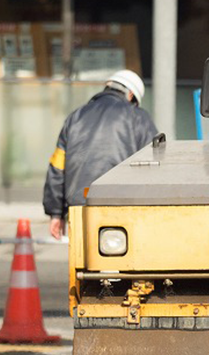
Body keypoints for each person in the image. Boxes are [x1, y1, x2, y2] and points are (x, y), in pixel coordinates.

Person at [43, 69, 157, 239]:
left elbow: (57, 168)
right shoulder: (138, 117)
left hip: (80, 206)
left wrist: (56, 213)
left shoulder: (75, 117)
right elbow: (154, 164)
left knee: (83, 261)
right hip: (122, 207)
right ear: (131, 95)